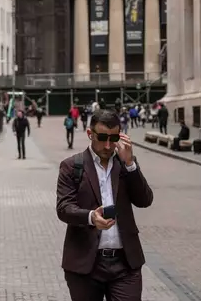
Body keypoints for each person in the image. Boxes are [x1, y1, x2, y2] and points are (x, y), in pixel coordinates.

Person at [56, 110, 153, 301]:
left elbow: (145, 200)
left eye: (113, 138)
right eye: (102, 138)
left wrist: (130, 163)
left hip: (125, 264)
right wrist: (91, 217)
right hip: (85, 265)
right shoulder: (71, 166)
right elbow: (64, 208)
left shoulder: (125, 164)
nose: (108, 145)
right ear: (90, 134)